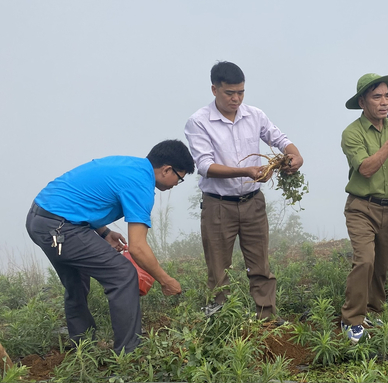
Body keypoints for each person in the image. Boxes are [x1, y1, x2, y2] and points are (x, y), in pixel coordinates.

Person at [25, 139, 193, 354]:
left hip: (41, 219)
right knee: (123, 274)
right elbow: (138, 248)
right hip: (60, 227)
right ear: (166, 169)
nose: (175, 185)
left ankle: (83, 346)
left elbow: (83, 198)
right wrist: (165, 280)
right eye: (179, 179)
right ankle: (129, 354)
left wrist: (103, 232)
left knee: (76, 280)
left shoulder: (128, 165)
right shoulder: (141, 184)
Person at [184, 61, 303, 321]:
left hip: (252, 202)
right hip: (218, 204)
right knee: (218, 266)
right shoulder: (199, 122)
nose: (236, 99)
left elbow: (279, 138)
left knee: (260, 263)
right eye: (230, 93)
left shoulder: (254, 115)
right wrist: (246, 171)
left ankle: (267, 316)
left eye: (241, 92)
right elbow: (204, 166)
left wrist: (294, 155)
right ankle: (221, 318)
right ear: (214, 89)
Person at [340, 73, 388, 343]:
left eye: (387, 95)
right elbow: (366, 168)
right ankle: (351, 319)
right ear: (363, 102)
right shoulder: (352, 133)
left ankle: (373, 310)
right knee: (365, 260)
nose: (384, 102)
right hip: (362, 207)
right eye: (377, 97)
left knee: (383, 264)